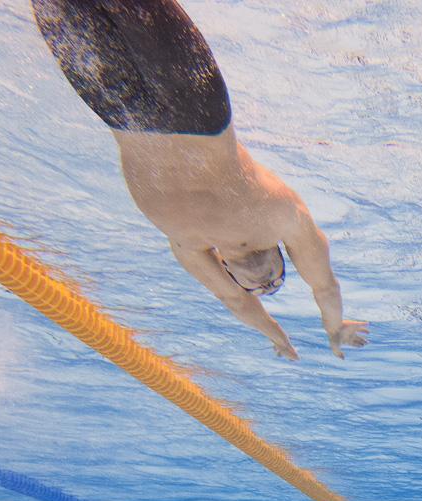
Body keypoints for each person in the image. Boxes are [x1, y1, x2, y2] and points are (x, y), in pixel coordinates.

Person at [30, 0, 367, 360]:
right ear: (282, 254)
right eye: (276, 280)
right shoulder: (281, 217)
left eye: (261, 289)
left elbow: (235, 299)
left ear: (224, 266)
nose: (266, 282)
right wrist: (334, 326)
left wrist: (278, 336)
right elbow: (323, 285)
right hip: (196, 110)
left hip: (121, 114)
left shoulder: (189, 246)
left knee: (58, 7)